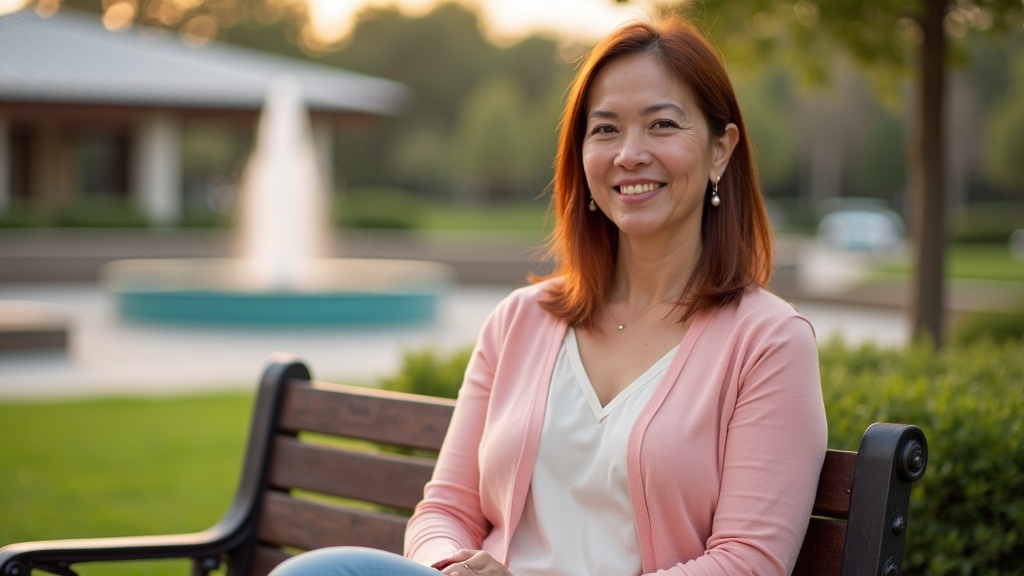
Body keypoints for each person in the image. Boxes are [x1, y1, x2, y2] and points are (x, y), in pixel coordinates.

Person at [270, 15, 827, 576]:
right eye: (605, 129)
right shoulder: (519, 321)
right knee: (317, 572)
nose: (629, 154)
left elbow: (747, 563)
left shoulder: (768, 342)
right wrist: (448, 565)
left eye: (661, 125)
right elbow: (444, 510)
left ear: (720, 150)